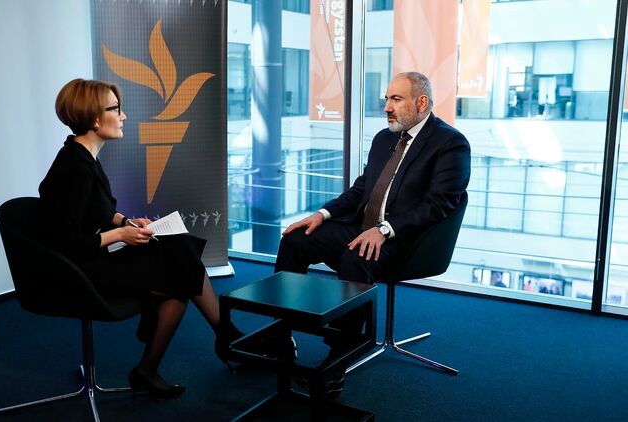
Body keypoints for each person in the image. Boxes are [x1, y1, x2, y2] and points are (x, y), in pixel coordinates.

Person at [38, 78, 243, 399]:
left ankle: (157, 365)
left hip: (93, 257)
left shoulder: (82, 156)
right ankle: (224, 336)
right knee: (181, 269)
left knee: (179, 254)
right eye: (115, 109)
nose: (123, 116)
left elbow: (95, 209)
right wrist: (122, 234)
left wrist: (126, 221)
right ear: (95, 119)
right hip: (78, 270)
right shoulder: (75, 167)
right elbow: (68, 242)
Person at [275, 72, 471, 394]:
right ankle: (281, 337)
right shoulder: (384, 139)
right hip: (361, 227)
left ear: (421, 102)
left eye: (396, 99)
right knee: (296, 239)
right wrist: (322, 214)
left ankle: (339, 357)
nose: (387, 107)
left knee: (356, 256)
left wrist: (384, 229)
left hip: (407, 240)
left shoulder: (450, 143)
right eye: (386, 99)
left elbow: (440, 203)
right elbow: (361, 189)